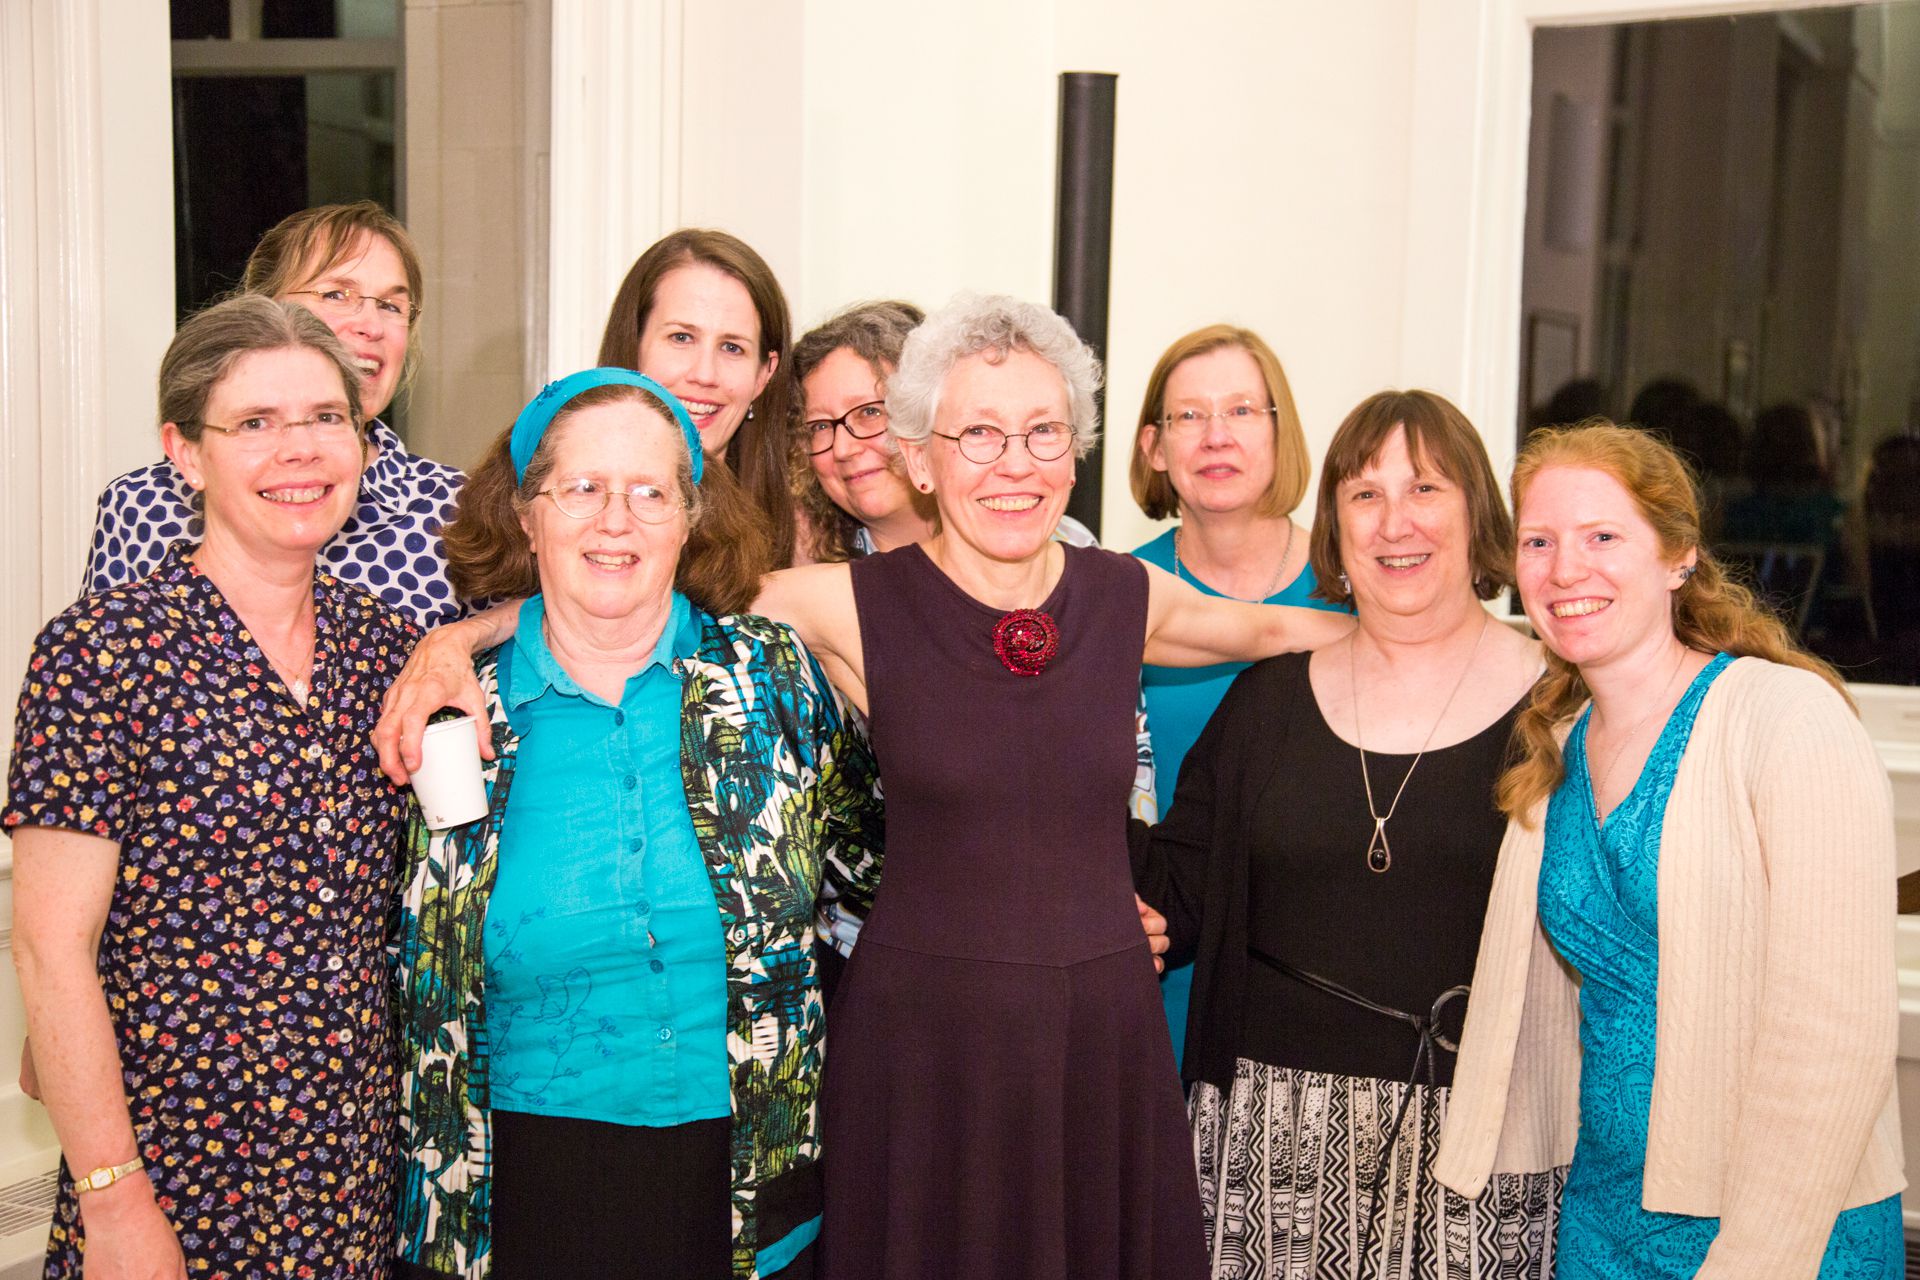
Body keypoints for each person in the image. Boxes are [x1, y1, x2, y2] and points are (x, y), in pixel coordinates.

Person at [748, 294, 1352, 1279]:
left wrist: (1505, 637)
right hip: (926, 1044)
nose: (1014, 462)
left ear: (1077, 452)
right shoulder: (846, 602)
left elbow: (1286, 629)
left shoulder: (1122, 592)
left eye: (1043, 431)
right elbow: (636, 599)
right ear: (919, 455)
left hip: (1101, 1039)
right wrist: (463, 637)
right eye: (978, 433)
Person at [389, 369, 883, 1280]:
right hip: (510, 1184)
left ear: (691, 516)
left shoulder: (772, 678)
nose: (615, 520)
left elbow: (888, 863)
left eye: (651, 492)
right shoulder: (446, 711)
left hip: (741, 1174)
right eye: (580, 489)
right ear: (527, 514)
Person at [7, 296, 416, 1278]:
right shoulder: (100, 651)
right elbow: (50, 947)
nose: (301, 450)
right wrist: (115, 1202)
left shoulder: (387, 651)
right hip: (172, 1179)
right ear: (184, 451)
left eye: (326, 417)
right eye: (257, 423)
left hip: (350, 1179)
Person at [1437, 422, 1905, 1278]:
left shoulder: (1786, 721)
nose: (1564, 570)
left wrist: (1755, 1257)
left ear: (1678, 555)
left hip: (1783, 1224)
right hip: (1605, 1216)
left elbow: (1841, 1038)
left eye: (1602, 537)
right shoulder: (1558, 746)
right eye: (1539, 542)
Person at [1130, 390, 1564, 1280]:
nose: (1394, 521)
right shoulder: (1267, 702)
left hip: (1484, 1153)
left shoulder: (1562, 710)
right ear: (1334, 523)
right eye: (1364, 494)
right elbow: (1173, 893)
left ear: (1479, 511)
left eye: (1427, 489)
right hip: (1264, 1153)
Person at [84, 200, 468, 626]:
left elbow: (540, 631)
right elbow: (102, 658)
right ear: (265, 309)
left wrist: (464, 636)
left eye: (392, 306)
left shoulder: (454, 510)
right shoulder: (147, 505)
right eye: (337, 294)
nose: (372, 326)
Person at [1126, 324, 1347, 1062]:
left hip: (1313, 975)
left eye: (1243, 411)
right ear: (1154, 447)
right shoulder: (1113, 595)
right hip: (1150, 967)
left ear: (1282, 434)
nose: (1215, 436)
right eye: (1189, 416)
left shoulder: (1357, 589)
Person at [596, 228, 798, 566]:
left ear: (765, 374)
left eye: (732, 347)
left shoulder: (803, 540)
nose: (704, 374)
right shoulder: (557, 509)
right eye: (681, 337)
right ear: (633, 347)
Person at [791, 300, 937, 564]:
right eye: (820, 426)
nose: (842, 449)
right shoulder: (794, 583)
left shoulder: (1018, 557)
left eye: (870, 412)